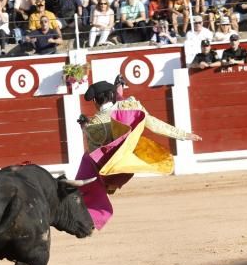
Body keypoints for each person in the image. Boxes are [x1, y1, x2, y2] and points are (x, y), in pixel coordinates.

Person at [76, 77, 201, 230]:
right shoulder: (130, 106)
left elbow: (96, 153)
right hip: (132, 160)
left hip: (112, 170)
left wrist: (85, 128)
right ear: (112, 95)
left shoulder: (95, 123)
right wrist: (184, 135)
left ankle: (92, 210)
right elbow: (154, 124)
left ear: (95, 101)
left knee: (87, 161)